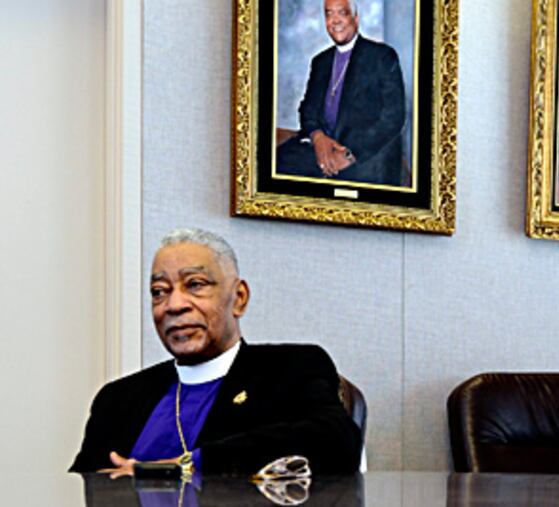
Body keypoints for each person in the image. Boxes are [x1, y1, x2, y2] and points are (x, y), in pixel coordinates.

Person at [70, 228, 361, 476]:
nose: (173, 305)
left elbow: (336, 443)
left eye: (195, 285)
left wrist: (188, 466)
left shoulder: (291, 368)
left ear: (239, 298)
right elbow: (78, 490)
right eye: (159, 291)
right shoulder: (118, 398)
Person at [276, 0, 405, 186]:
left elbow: (393, 118)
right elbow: (307, 110)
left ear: (356, 18)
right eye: (329, 14)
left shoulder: (382, 56)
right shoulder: (320, 62)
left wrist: (350, 155)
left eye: (342, 13)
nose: (335, 20)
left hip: (365, 153)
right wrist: (318, 137)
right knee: (275, 164)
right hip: (323, 147)